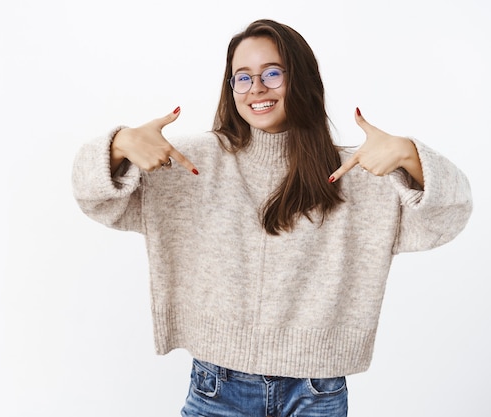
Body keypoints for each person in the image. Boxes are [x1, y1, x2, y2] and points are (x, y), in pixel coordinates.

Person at [72, 19, 472, 417]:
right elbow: (94, 197)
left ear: (302, 80)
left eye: (272, 73)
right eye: (241, 78)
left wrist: (409, 155)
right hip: (216, 384)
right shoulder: (189, 162)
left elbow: (448, 216)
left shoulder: (356, 172)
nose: (256, 88)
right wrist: (119, 143)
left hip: (317, 388)